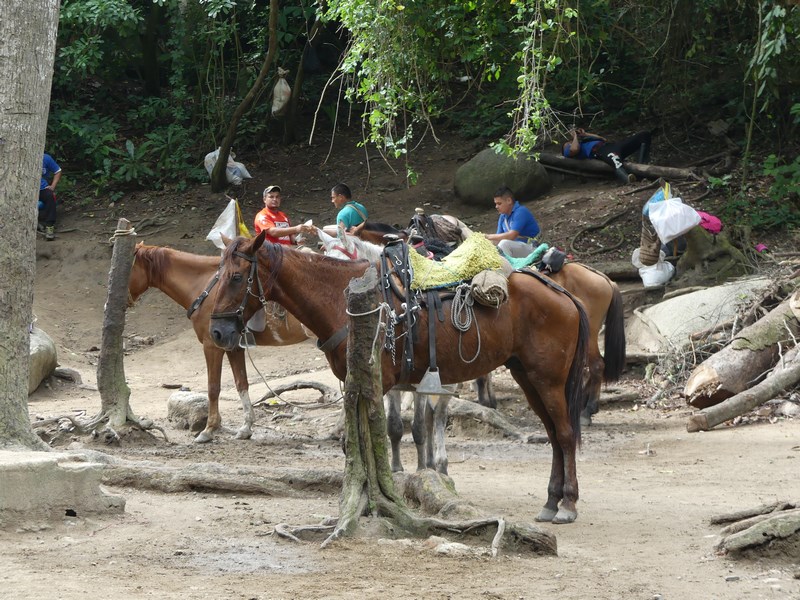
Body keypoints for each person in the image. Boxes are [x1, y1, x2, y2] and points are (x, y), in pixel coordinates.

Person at [563, 128, 651, 184]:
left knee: (644, 135)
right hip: (601, 151)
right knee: (616, 162)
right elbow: (574, 149)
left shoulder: (584, 141)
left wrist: (585, 135)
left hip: (611, 146)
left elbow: (602, 139)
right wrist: (575, 137)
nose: (569, 143)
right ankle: (629, 180)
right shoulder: (570, 150)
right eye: (567, 144)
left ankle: (642, 167)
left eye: (569, 142)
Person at [485, 186, 541, 258]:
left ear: (509, 201)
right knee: (490, 244)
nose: (496, 207)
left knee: (504, 244)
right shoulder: (503, 217)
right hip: (518, 248)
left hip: (534, 249)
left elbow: (512, 235)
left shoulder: (521, 212)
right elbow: (497, 239)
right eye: (495, 204)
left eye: (499, 204)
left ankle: (507, 268)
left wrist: (488, 236)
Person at [38, 153, 62, 241]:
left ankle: (49, 226)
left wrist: (53, 186)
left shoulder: (46, 158)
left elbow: (58, 171)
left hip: (42, 188)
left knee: (50, 195)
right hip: (25, 189)